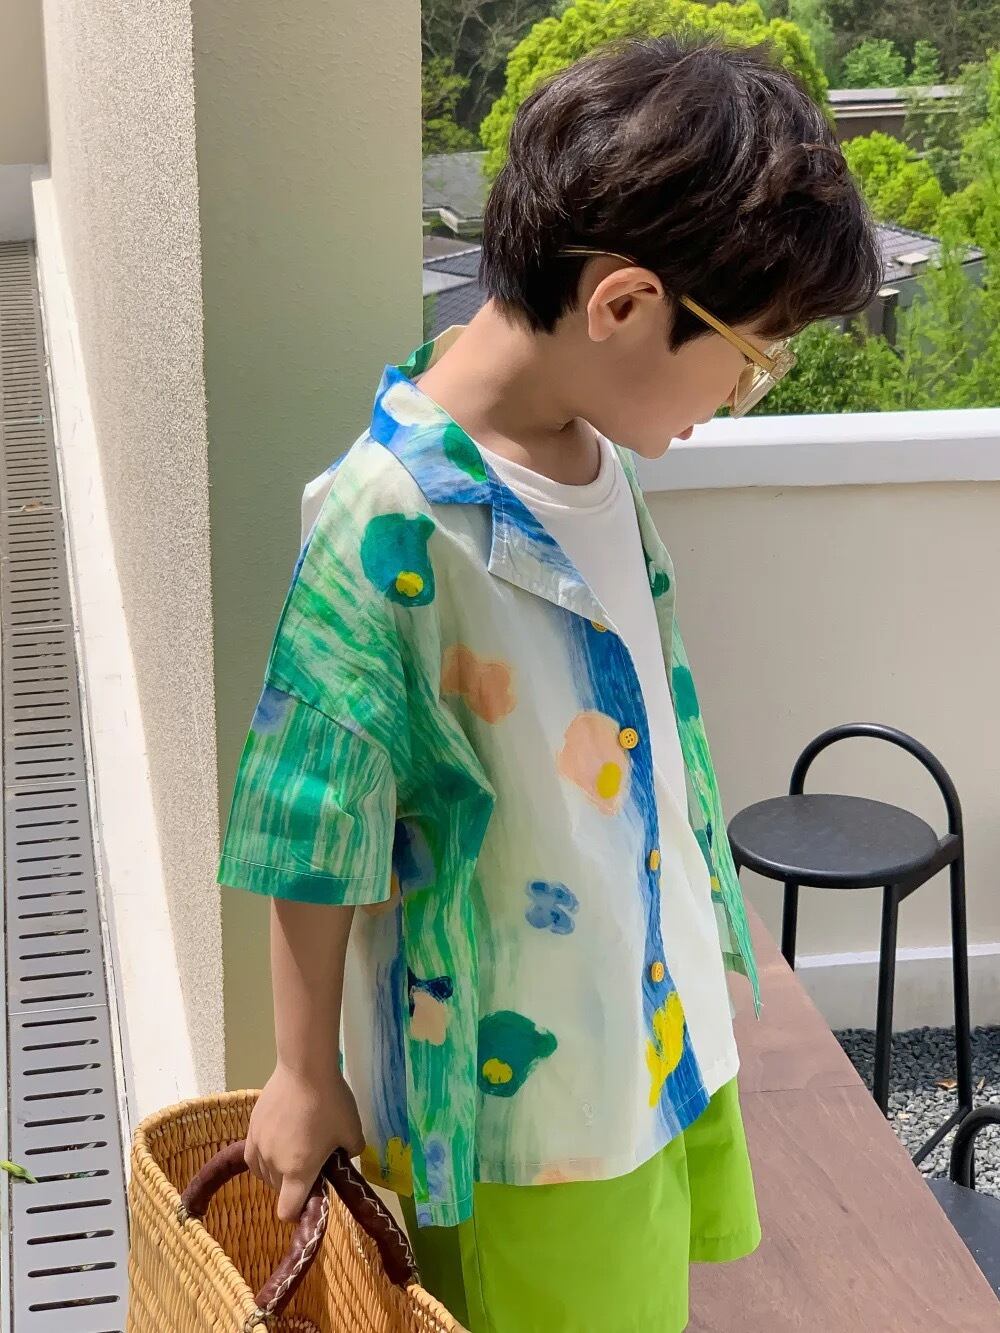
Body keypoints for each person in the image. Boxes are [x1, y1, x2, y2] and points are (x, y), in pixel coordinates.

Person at [217, 34, 881, 1333]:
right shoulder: (386, 516)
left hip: (648, 1020)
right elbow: (313, 809)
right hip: (526, 1104)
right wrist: (303, 1069)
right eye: (752, 358)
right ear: (624, 305)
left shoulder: (595, 454)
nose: (746, 393)